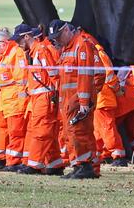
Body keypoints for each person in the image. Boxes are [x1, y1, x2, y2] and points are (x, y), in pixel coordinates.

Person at [48, 20, 104, 179]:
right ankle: (81, 165)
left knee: (78, 132)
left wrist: (85, 102)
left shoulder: (82, 45)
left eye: (58, 36)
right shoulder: (66, 48)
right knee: (71, 133)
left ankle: (85, 166)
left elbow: (85, 76)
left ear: (66, 30)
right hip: (68, 99)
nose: (57, 40)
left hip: (78, 98)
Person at [13, 24, 63, 175]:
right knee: (48, 132)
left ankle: (34, 164)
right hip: (38, 98)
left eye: (19, 40)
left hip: (45, 98)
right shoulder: (34, 53)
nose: (18, 44)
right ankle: (55, 164)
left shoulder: (41, 51)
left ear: (27, 37)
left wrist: (56, 95)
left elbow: (54, 74)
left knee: (41, 131)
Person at [0, 28, 29, 172]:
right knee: (7, 131)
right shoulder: (6, 54)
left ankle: (14, 162)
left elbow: (21, 80)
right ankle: (7, 160)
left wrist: (21, 102)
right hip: (7, 101)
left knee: (16, 132)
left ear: (4, 42)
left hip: (15, 101)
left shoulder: (16, 53)